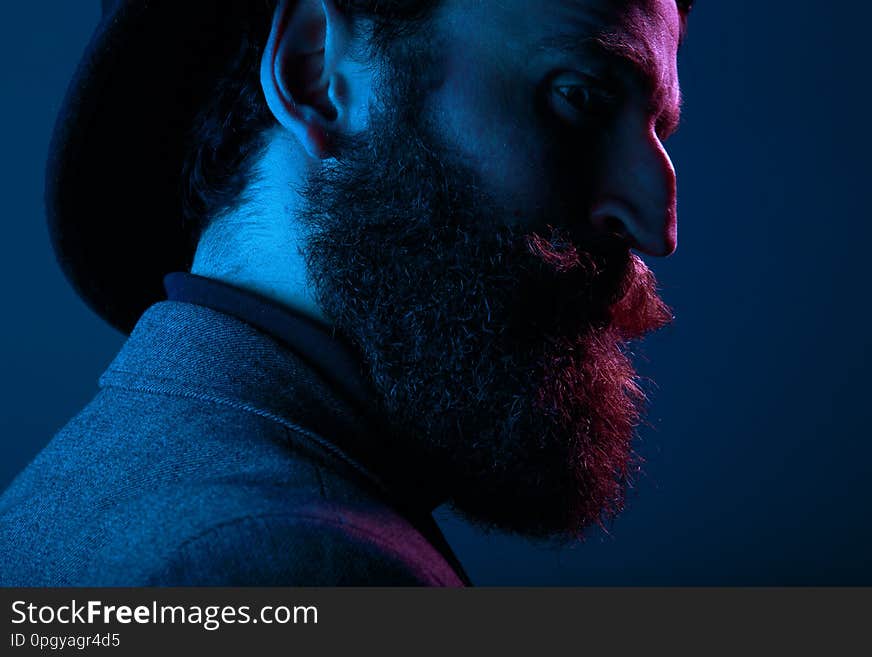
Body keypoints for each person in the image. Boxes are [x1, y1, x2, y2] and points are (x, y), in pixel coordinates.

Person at [0, 0, 691, 585]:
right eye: (582, 96)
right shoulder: (289, 564)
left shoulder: (69, 498)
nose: (658, 226)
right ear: (319, 74)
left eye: (659, 131)